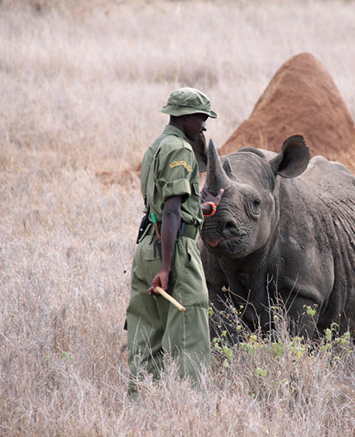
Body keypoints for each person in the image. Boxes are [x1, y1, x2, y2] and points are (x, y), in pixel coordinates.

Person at [125, 87, 223, 392]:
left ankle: (141, 400)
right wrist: (167, 267)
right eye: (202, 119)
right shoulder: (181, 150)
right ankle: (191, 407)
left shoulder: (156, 146)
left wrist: (202, 207)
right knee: (190, 331)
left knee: (145, 333)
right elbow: (170, 212)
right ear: (185, 117)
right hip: (174, 250)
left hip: (146, 248)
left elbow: (170, 206)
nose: (204, 127)